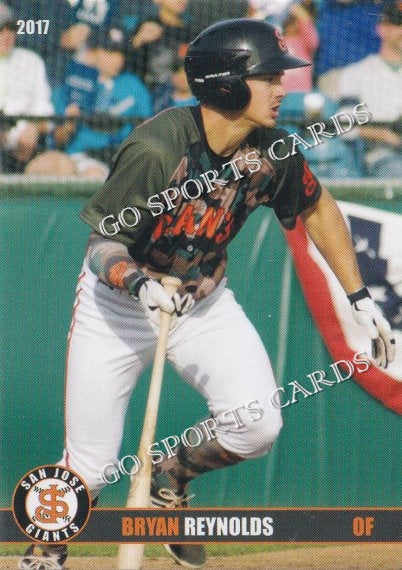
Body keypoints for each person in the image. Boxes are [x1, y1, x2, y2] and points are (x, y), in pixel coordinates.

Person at [19, 18, 395, 570]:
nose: (280, 88)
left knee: (258, 425)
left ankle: (175, 473)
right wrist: (140, 283)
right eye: (267, 77)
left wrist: (359, 296)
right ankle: (44, 550)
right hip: (119, 307)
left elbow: (317, 208)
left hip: (202, 302)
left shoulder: (272, 149)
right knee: (93, 468)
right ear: (226, 84)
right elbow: (104, 245)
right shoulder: (155, 147)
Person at [26, 27, 153, 178]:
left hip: (114, 157)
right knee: (42, 167)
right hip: (75, 155)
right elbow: (57, 139)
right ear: (92, 53)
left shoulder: (133, 85)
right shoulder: (73, 84)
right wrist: (69, 124)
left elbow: (148, 128)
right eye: (110, 52)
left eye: (121, 53)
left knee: (94, 173)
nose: (118, 59)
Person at [338, 0, 402, 178]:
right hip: (382, 156)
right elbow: (344, 126)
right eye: (398, 23)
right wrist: (383, 135)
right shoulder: (357, 72)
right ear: (382, 28)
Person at [0, 1, 54, 173]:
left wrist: (34, 127)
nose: (7, 35)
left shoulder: (31, 61)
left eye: (11, 28)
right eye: (1, 29)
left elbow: (46, 114)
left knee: (58, 166)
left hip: (26, 150)